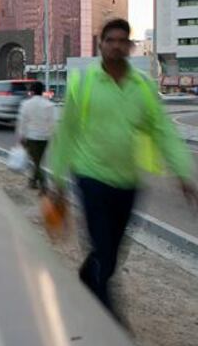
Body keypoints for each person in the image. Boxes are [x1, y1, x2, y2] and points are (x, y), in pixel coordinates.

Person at [49, 18, 198, 317]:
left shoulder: (142, 87)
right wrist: (58, 181)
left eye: (122, 41)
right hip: (90, 176)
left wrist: (183, 172)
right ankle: (108, 318)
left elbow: (162, 130)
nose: (116, 46)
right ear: (101, 45)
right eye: (110, 40)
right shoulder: (84, 83)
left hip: (128, 182)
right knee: (103, 248)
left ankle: (89, 275)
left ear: (130, 47)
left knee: (113, 254)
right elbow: (66, 133)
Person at [16, 82, 55, 190]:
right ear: (42, 91)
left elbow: (22, 121)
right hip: (44, 137)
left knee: (35, 162)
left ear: (32, 91)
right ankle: (33, 182)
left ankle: (42, 184)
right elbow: (52, 123)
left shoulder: (26, 104)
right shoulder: (49, 105)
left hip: (31, 137)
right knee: (38, 161)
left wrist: (21, 136)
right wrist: (52, 136)